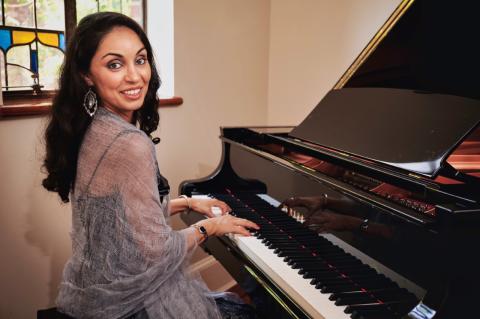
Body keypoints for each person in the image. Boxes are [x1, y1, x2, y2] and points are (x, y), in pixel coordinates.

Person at [42, 12, 259, 319]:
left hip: (90, 291)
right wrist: (211, 226)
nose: (135, 76)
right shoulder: (130, 143)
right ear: (86, 75)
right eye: (115, 64)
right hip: (127, 305)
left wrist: (186, 203)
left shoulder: (88, 128)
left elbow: (120, 217)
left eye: (140, 60)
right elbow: (155, 252)